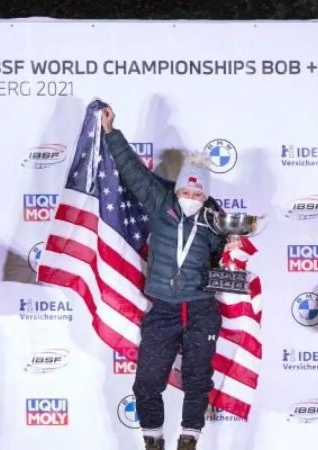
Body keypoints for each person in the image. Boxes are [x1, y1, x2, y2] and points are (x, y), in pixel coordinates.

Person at [100, 105, 241, 450]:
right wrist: (110, 132)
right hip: (163, 309)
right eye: (185, 192)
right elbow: (132, 171)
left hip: (200, 309)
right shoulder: (158, 199)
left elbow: (228, 265)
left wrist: (234, 246)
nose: (190, 199)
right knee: (147, 383)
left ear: (205, 195)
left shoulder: (214, 218)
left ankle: (189, 441)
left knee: (197, 381)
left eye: (197, 194)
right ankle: (154, 442)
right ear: (176, 189)